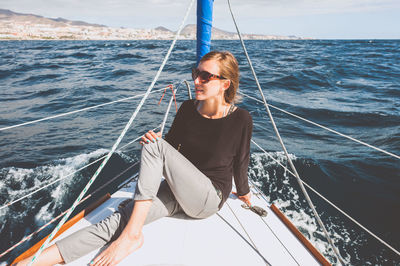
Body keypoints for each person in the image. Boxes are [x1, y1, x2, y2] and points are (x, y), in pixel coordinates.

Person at [15, 50, 253, 266]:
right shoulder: (188, 108)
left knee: (154, 149)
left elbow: (240, 163)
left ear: (225, 83)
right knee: (122, 218)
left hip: (208, 197)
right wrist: (155, 142)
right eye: (195, 73)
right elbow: (170, 148)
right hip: (176, 190)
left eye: (205, 76)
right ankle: (34, 261)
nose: (196, 81)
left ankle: (131, 237)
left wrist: (244, 192)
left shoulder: (241, 119)